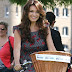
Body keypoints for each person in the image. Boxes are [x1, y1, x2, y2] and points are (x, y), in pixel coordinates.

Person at [13, 0, 56, 71]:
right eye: (31, 11)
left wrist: (59, 59)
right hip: (25, 66)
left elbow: (51, 48)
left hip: (41, 66)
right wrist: (17, 63)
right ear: (26, 12)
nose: (34, 14)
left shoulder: (45, 27)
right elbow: (17, 49)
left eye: (37, 12)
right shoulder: (18, 29)